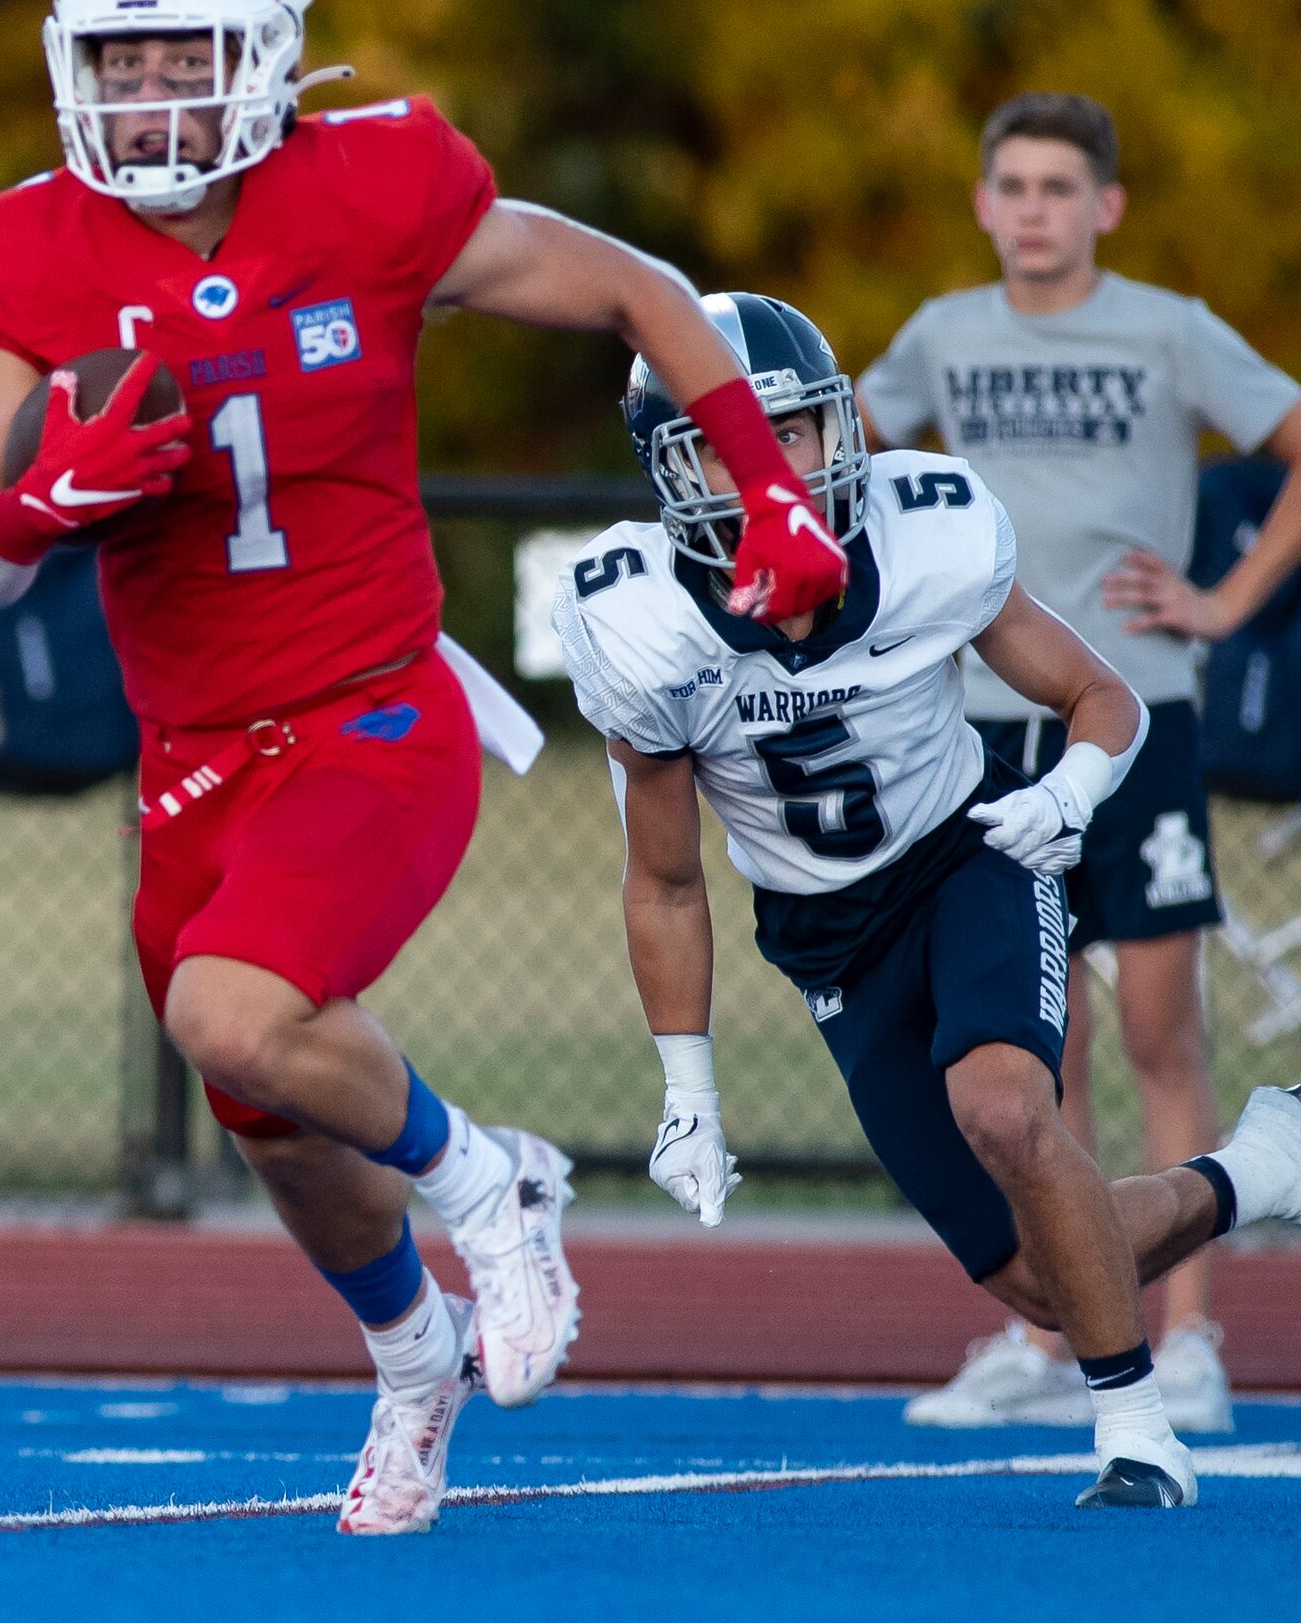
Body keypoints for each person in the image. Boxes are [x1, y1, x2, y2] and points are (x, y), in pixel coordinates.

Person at [0, 0, 850, 1537]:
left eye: (179, 60)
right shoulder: (26, 245)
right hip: (190, 755)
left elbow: (641, 288)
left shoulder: (371, 185)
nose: (144, 100)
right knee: (273, 1119)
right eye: (114, 64)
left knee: (228, 1011)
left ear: (265, 63)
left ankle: (498, 1179)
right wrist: (37, 504)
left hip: (370, 707)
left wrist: (771, 490)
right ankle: (411, 1362)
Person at [554, 289, 1301, 1509]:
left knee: (1004, 1111)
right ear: (665, 466)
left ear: (834, 430)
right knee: (1036, 1280)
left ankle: (1134, 1431)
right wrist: (686, 1085)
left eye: (783, 431)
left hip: (968, 854)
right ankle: (1257, 1172)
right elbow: (667, 878)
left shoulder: (923, 531)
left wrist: (1067, 795)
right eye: (716, 442)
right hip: (824, 934)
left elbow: (1097, 695)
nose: (762, 467)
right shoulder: (635, 619)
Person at [856, 93, 1301, 1432]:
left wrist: (1227, 605)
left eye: (1062, 185)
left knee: (1166, 1025)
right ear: (986, 203)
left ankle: (1193, 1338)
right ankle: (1051, 1331)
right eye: (1015, 185)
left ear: (1104, 205)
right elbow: (833, 457)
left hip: (1133, 713)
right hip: (979, 732)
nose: (1036, 207)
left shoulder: (1166, 328)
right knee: (1036, 1050)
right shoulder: (942, 333)